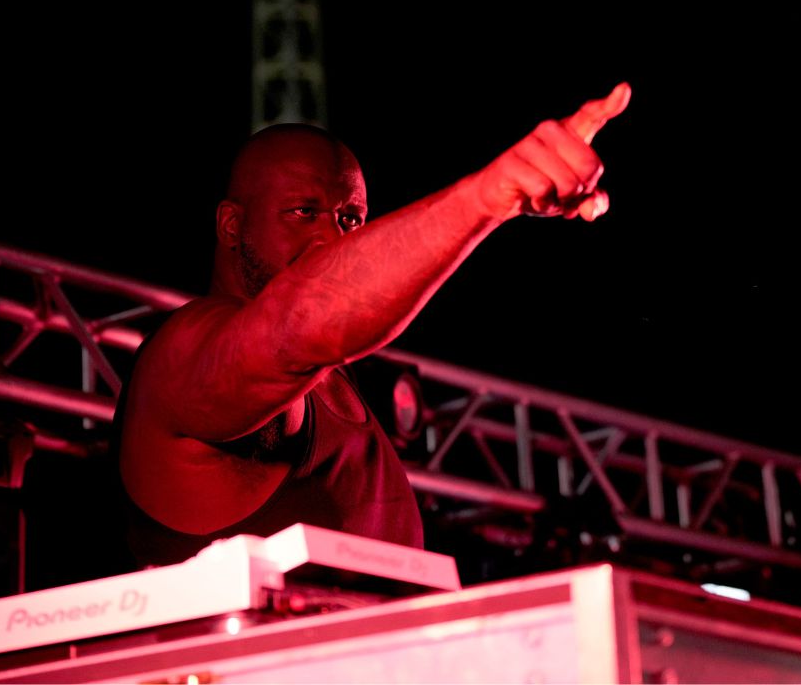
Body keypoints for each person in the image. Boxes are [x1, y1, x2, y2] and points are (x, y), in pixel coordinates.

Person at [117, 83, 632, 566]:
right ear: (232, 225)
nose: (330, 240)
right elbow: (292, 327)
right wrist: (487, 197)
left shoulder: (340, 387)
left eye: (350, 220)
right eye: (303, 212)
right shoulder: (181, 351)